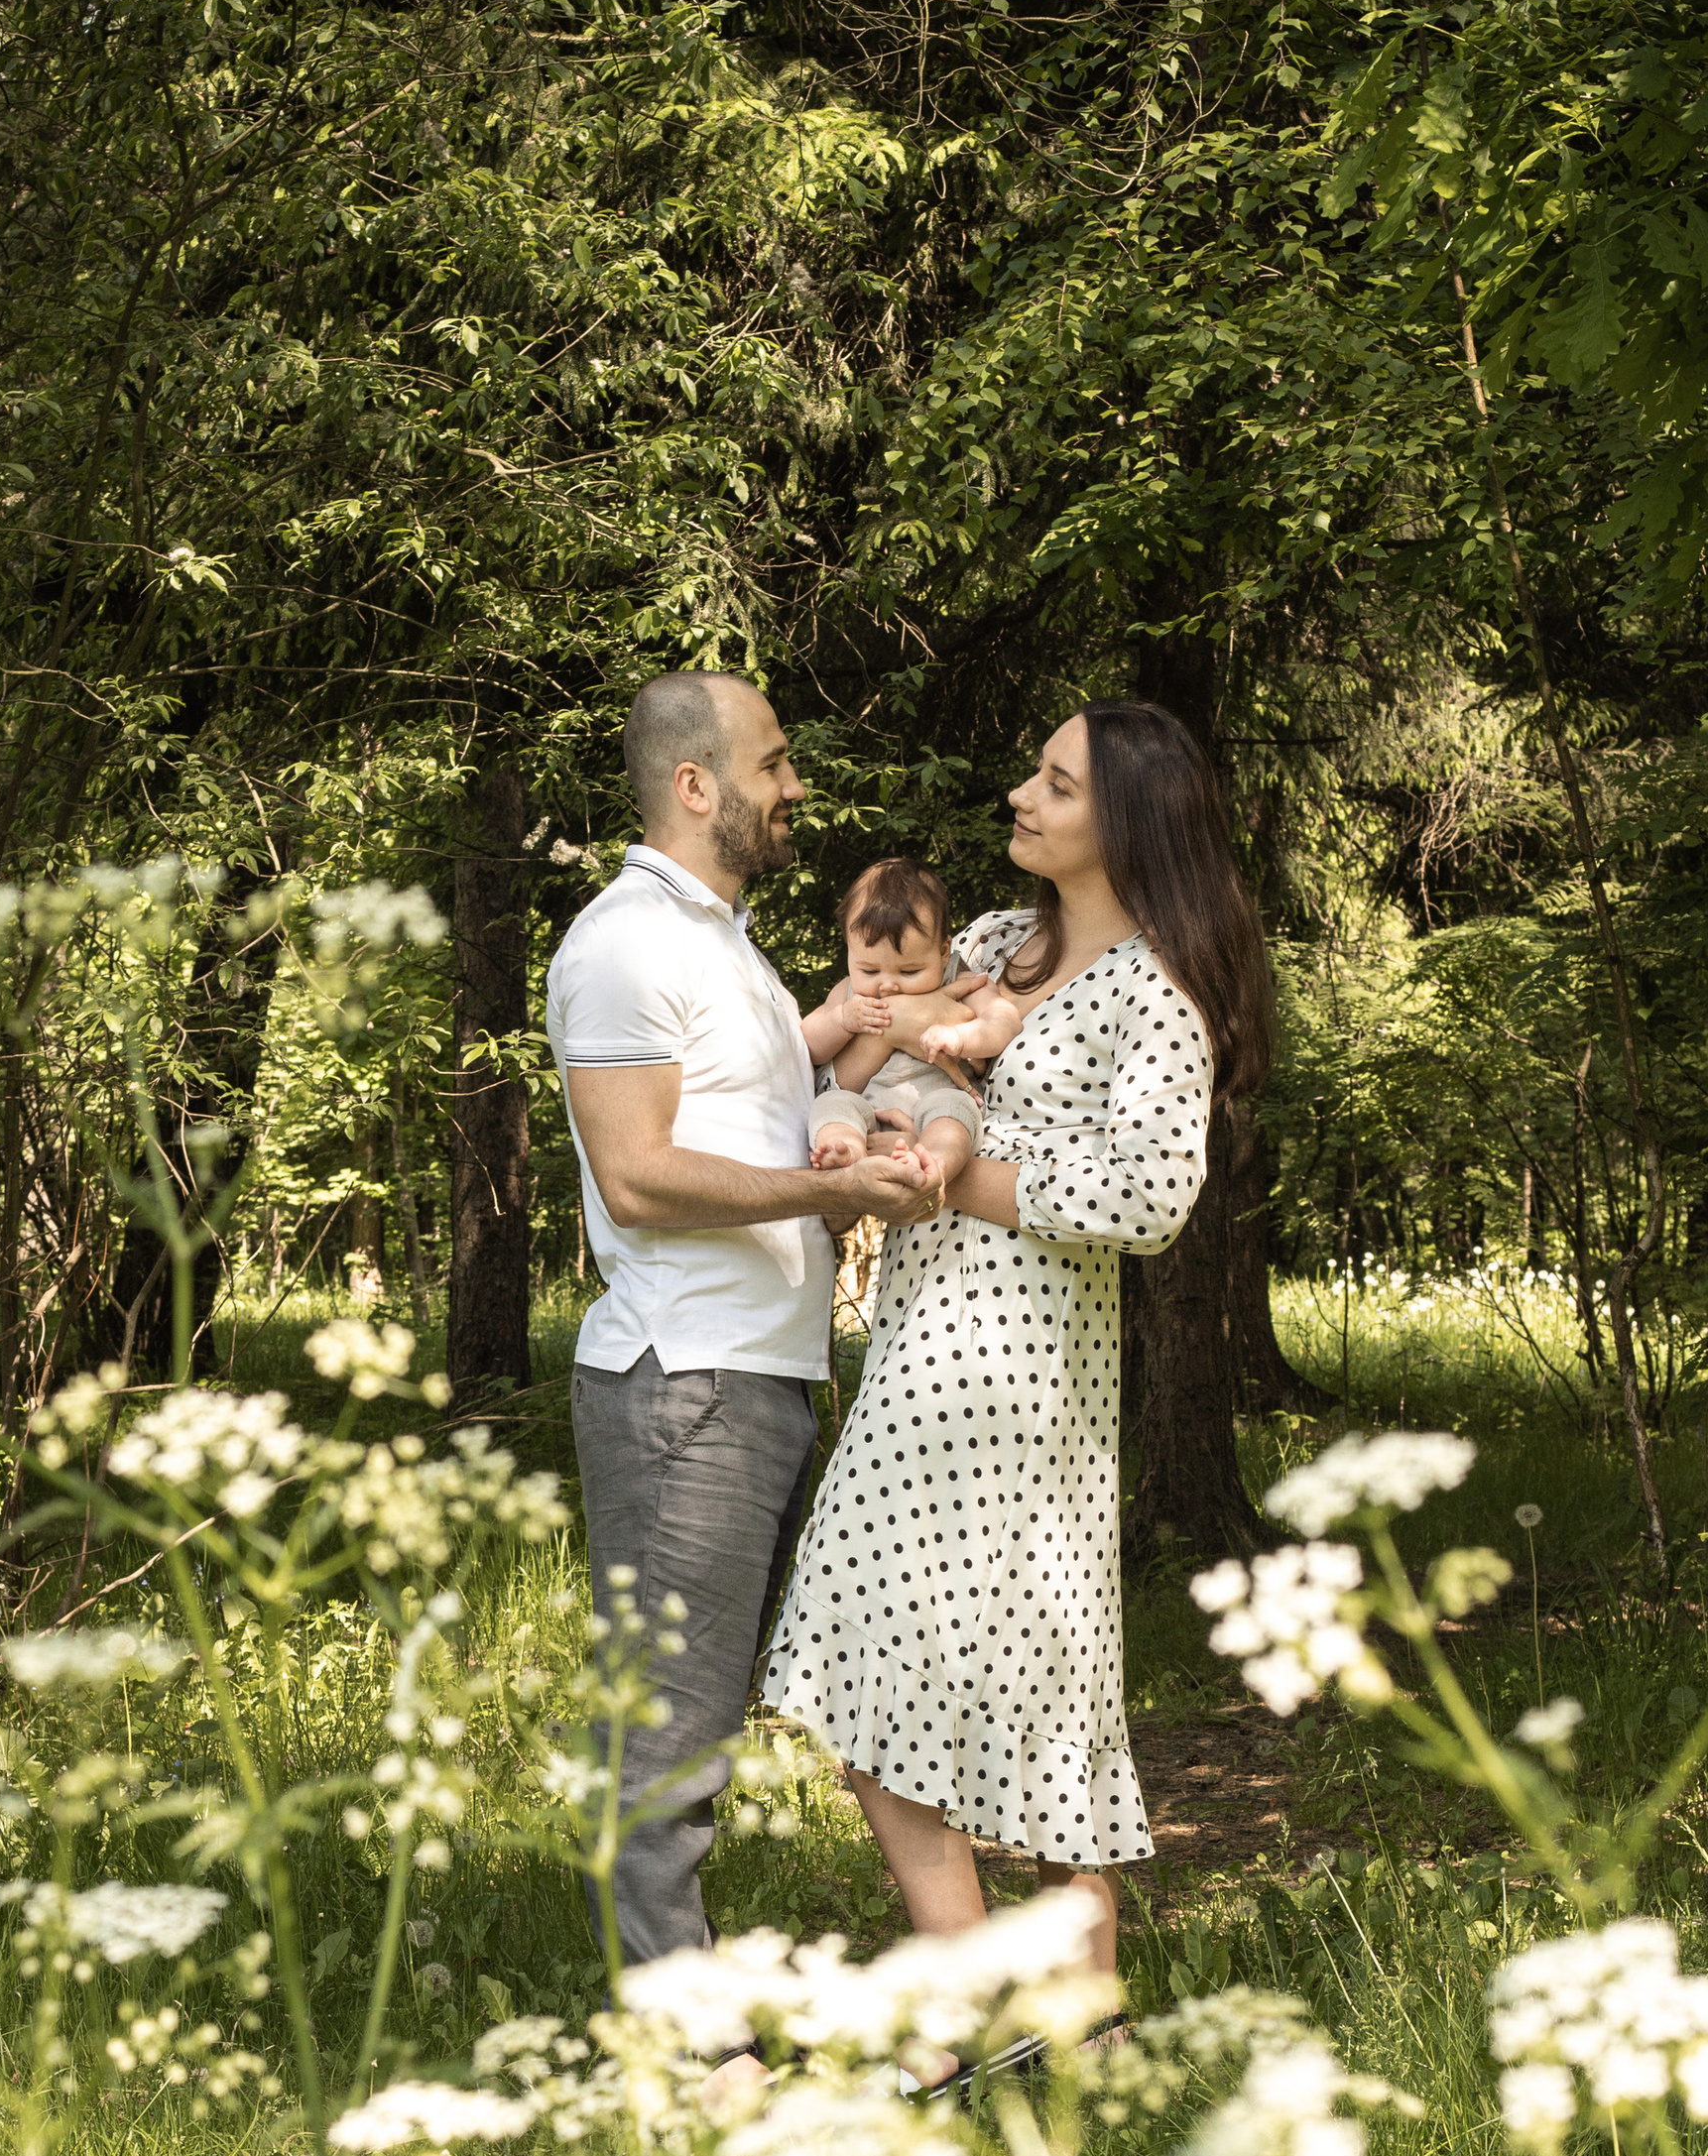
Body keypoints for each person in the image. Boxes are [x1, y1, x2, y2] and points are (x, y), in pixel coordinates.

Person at [762, 697, 1274, 2007]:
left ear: (1127, 824)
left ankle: (1045, 2023)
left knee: (980, 1669)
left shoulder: (1153, 993)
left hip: (1022, 1365)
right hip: (923, 1336)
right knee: (903, 1668)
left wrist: (965, 1172)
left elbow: (1152, 1199)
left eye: (1055, 784)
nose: (1022, 797)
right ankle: (1045, 2020)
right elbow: (872, 1055)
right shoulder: (992, 940)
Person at [545, 672, 941, 1971]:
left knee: (697, 1726)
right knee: (668, 1743)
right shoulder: (623, 944)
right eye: (772, 763)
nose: (794, 787)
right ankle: (682, 2051)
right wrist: (827, 1187)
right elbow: (639, 1176)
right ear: (694, 784)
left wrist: (852, 1151)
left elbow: (755, 1151)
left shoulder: (727, 950)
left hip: (759, 1379)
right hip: (683, 1387)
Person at [803, 857, 997, 1194]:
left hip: (937, 1099)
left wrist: (960, 1036)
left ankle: (933, 1164)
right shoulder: (847, 993)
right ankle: (845, 1152)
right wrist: (841, 1019)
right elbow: (809, 1045)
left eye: (909, 972)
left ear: (942, 951)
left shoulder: (961, 977)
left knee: (955, 1113)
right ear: (849, 952)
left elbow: (1002, 1022)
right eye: (869, 971)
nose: (888, 985)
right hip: (867, 1108)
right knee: (831, 1106)